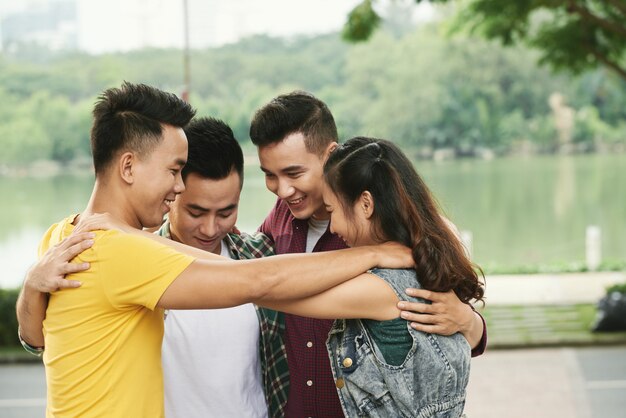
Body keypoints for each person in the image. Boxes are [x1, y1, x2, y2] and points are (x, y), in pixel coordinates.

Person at [15, 82, 412, 418]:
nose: (178, 186)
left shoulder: (64, 235)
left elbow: (34, 336)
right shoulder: (118, 250)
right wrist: (373, 255)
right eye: (173, 170)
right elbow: (260, 278)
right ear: (129, 167)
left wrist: (31, 286)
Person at [249, 91, 487, 417]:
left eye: (293, 174)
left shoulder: (405, 242)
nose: (282, 190)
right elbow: (248, 262)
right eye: (269, 175)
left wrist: (469, 322)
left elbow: (447, 343)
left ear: (330, 154)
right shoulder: (280, 217)